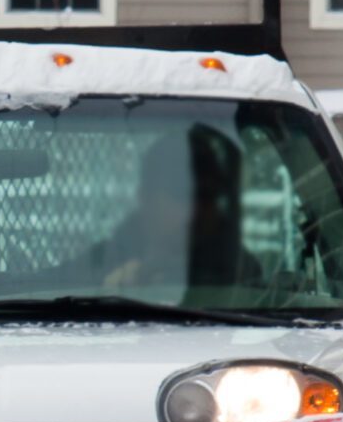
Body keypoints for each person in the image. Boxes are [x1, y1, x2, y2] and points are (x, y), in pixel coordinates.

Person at [89, 127, 252, 296]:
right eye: (181, 195)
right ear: (146, 197)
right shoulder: (102, 261)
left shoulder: (241, 269)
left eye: (207, 196)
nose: (196, 209)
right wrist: (105, 295)